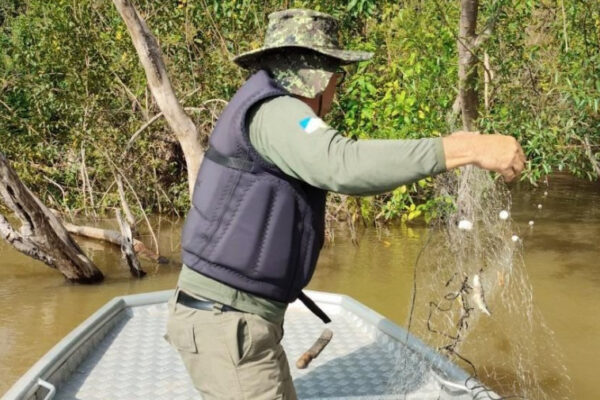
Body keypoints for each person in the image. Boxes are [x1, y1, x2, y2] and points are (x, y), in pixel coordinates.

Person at [164, 9, 526, 400]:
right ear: (317, 80)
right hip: (226, 324)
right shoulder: (276, 112)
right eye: (338, 79)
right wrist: (467, 148)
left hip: (237, 323)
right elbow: (343, 164)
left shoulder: (270, 107)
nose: (336, 94)